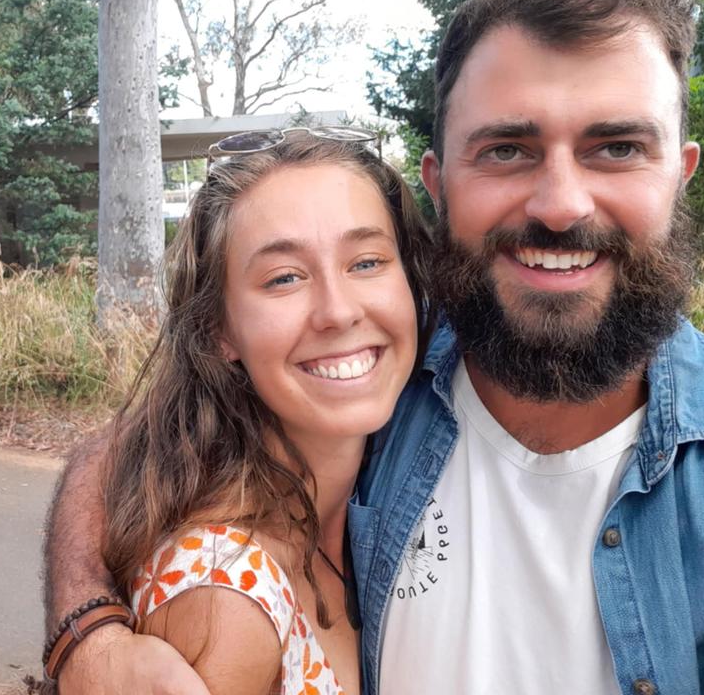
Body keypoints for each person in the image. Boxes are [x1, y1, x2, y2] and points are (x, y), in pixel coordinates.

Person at [42, 0, 704, 695]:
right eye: (506, 150)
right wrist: (87, 629)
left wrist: (85, 627)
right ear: (439, 186)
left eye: (617, 147)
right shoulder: (382, 380)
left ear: (679, 176)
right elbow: (132, 448)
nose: (560, 203)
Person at [40, 130, 433, 694]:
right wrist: (85, 632)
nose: (339, 311)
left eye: (367, 262)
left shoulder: (347, 505)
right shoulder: (227, 597)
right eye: (284, 278)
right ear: (220, 329)